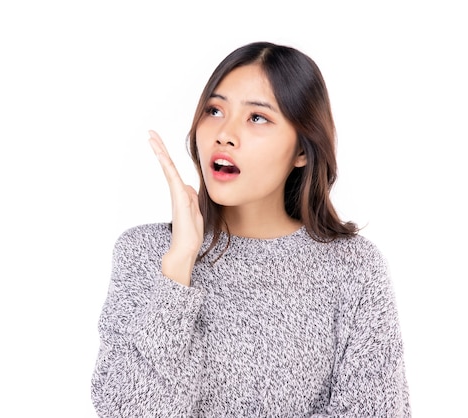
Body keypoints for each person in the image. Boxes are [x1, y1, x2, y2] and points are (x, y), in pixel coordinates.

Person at [91, 41, 411, 417]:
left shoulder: (353, 267)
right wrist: (178, 268)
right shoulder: (146, 253)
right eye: (214, 110)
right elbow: (128, 410)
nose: (223, 134)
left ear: (302, 151)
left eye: (257, 117)